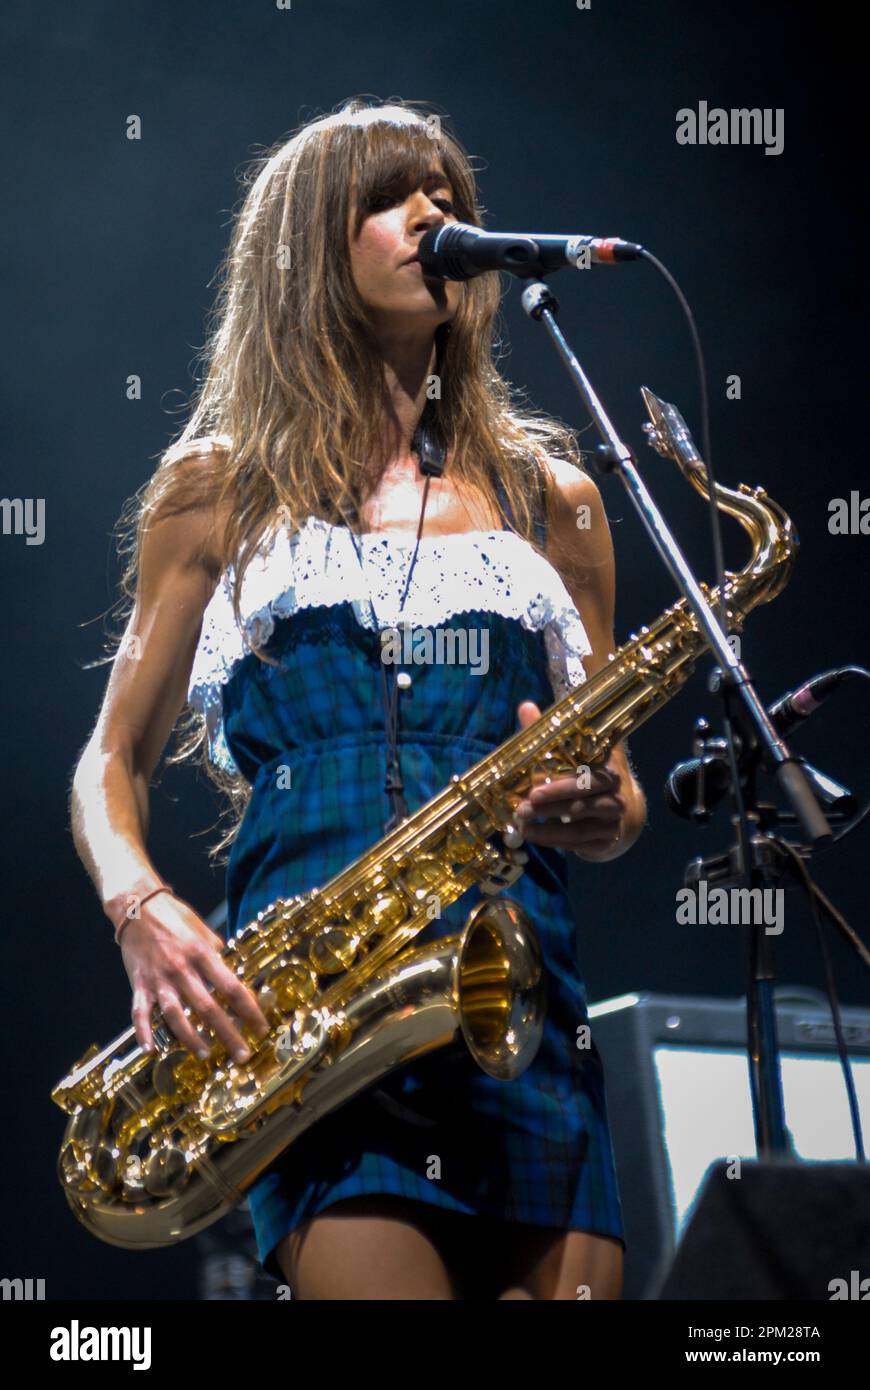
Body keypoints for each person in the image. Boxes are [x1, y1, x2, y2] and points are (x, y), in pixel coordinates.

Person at [70, 97, 647, 1300]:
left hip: (521, 1003)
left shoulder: (558, 500)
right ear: (303, 252)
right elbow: (107, 763)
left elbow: (621, 798)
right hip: (315, 1028)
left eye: (448, 196)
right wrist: (142, 907)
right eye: (390, 197)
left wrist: (604, 805)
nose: (433, 214)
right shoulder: (216, 490)